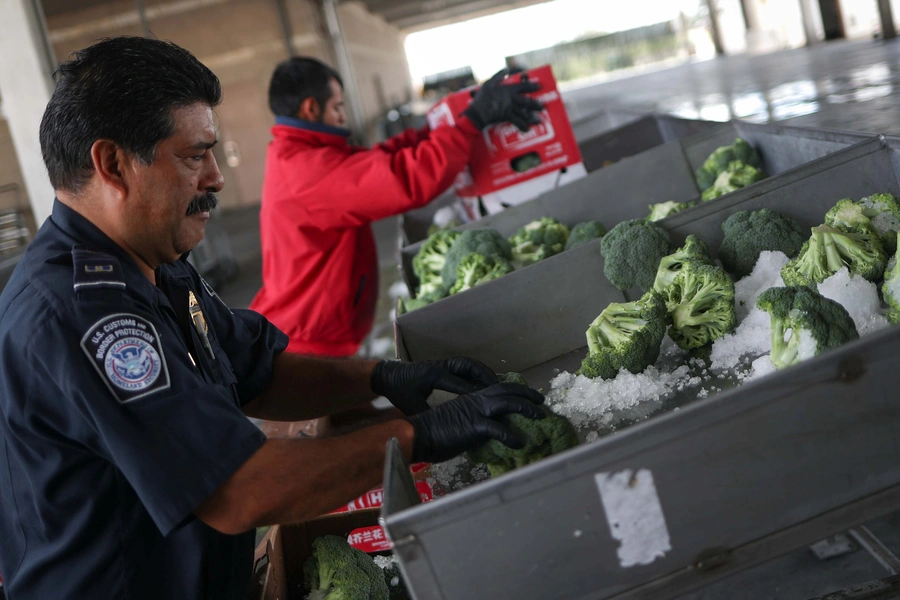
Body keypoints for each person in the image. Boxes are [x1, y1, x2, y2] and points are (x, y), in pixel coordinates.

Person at [0, 37, 545, 600]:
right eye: (193, 156)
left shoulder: (152, 261)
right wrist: (421, 435)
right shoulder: (78, 314)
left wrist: (382, 378)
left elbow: (258, 371)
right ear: (113, 164)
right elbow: (239, 491)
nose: (214, 177)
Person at [249, 57, 543, 358]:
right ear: (311, 108)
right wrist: (472, 122)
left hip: (307, 328)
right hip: (304, 340)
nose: (343, 116)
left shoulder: (295, 154)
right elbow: (404, 179)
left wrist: (431, 129)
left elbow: (375, 162)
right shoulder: (307, 171)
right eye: (337, 107)